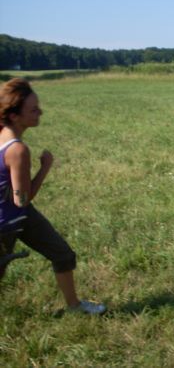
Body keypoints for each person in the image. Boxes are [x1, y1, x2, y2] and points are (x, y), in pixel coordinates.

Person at [0, 78, 106, 315]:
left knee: (62, 254)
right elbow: (22, 200)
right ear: (15, 116)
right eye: (34, 109)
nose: (41, 112)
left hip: (21, 217)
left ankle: (74, 307)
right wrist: (45, 167)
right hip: (7, 222)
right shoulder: (17, 150)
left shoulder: (2, 135)